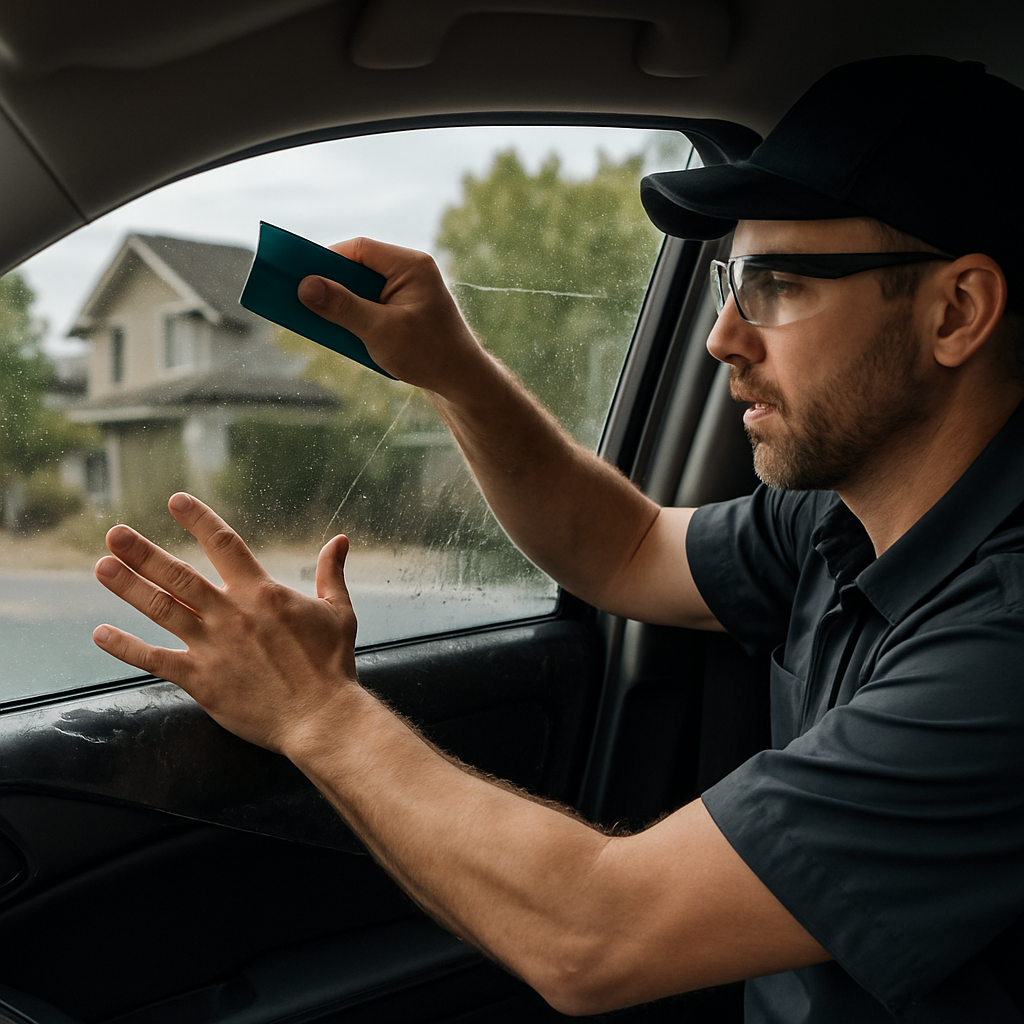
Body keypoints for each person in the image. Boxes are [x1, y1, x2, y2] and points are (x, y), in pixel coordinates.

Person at [92, 55, 1024, 1022]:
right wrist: (454, 371)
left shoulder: (1003, 647)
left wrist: (314, 714)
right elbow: (622, 550)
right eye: (728, 282)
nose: (722, 339)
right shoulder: (843, 515)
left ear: (955, 311)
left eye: (778, 285)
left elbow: (596, 934)